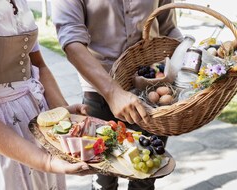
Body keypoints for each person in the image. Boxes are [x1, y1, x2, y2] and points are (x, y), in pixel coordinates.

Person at [52, 0, 183, 189]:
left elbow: (169, 29)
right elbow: (71, 42)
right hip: (100, 93)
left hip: (153, 89)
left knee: (146, 178)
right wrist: (113, 93)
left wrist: (191, 62)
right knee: (103, 177)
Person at [0, 1, 92, 190]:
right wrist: (46, 162)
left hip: (37, 119)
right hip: (5, 136)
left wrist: (61, 113)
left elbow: (39, 66)